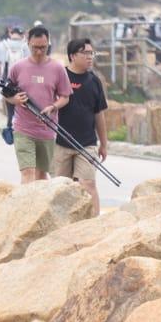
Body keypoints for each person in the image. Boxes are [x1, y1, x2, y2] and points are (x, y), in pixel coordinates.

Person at [3, 26, 72, 182]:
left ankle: (40, 198)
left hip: (47, 130)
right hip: (23, 129)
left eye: (43, 47)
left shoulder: (57, 68)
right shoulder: (17, 68)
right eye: (35, 47)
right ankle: (26, 199)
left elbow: (65, 97)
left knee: (41, 175)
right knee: (27, 172)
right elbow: (6, 95)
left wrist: (53, 107)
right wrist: (15, 100)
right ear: (28, 43)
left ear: (48, 44)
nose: (39, 52)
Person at [54, 38, 109, 210]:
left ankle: (94, 221)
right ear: (72, 56)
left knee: (88, 184)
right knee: (61, 188)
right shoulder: (59, 77)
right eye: (85, 53)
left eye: (91, 53)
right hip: (60, 143)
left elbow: (99, 114)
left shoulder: (94, 81)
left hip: (87, 144)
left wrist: (104, 144)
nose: (90, 57)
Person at [0, 26, 31, 142]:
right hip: (23, 81)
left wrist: (0, 79)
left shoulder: (2, 45)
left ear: (11, 34)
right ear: (22, 35)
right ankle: (23, 130)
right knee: (24, 106)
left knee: (10, 106)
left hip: (8, 81)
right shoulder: (25, 46)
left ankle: (11, 128)